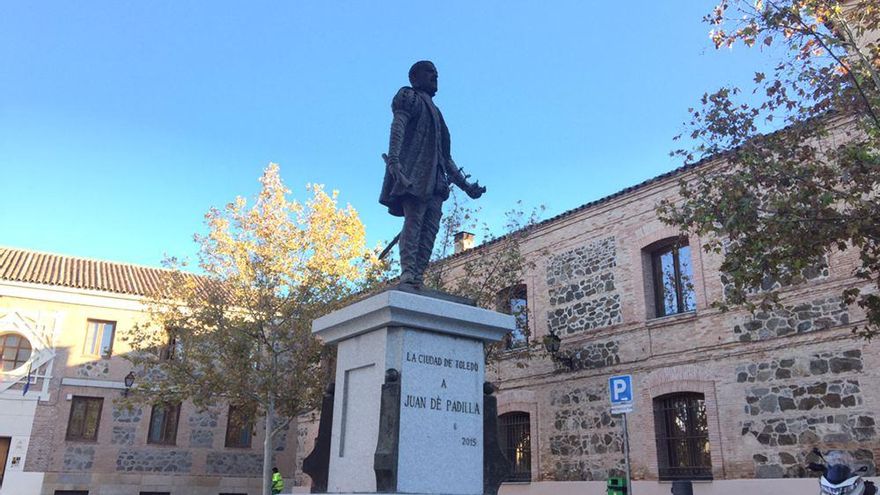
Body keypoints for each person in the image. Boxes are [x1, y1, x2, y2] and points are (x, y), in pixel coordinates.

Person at [379, 60, 486, 289]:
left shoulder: (437, 114)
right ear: (415, 77)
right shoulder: (409, 97)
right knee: (414, 221)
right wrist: (395, 162)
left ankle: (418, 274)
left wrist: (467, 187)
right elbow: (398, 126)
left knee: (430, 229)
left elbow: (445, 156)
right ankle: (408, 272)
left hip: (436, 181)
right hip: (415, 175)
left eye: (436, 73)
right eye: (430, 72)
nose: (435, 76)